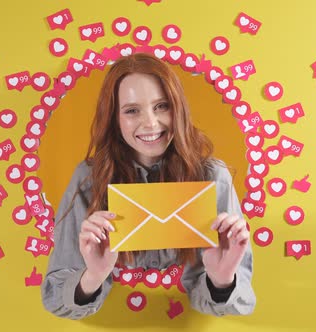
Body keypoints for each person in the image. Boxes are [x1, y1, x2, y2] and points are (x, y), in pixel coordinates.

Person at [42, 53, 256, 319]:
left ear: (177, 108)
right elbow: (55, 296)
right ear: (114, 118)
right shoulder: (89, 178)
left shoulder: (213, 176)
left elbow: (241, 301)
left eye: (162, 106)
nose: (151, 123)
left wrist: (222, 279)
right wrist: (93, 276)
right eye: (132, 110)